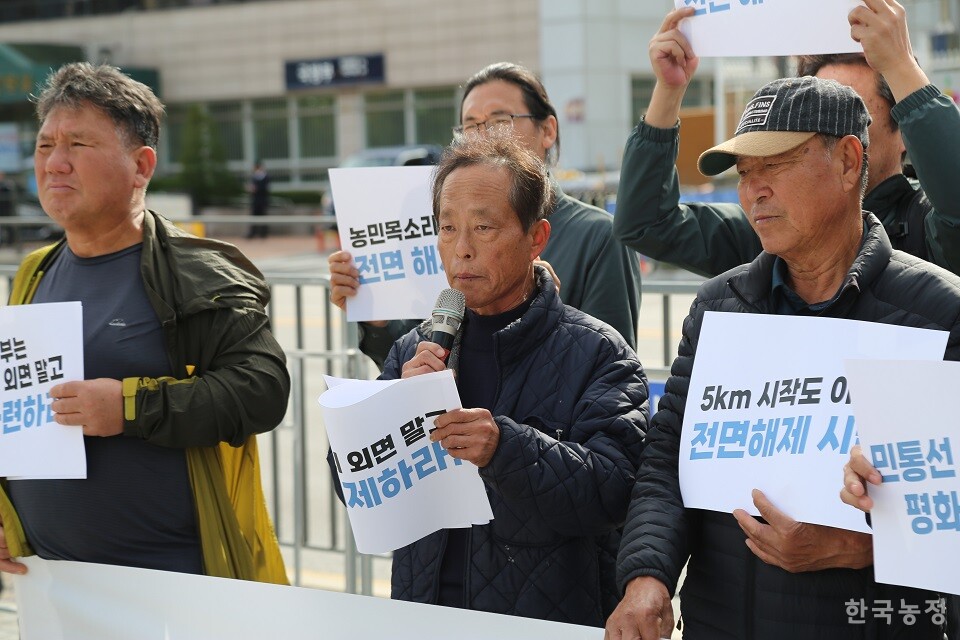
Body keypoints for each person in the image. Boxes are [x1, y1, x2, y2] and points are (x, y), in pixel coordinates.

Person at [606, 76, 960, 639]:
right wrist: (647, 577)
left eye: (775, 165)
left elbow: (948, 518)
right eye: (745, 173)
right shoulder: (718, 307)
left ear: (848, 162)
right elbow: (666, 461)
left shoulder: (937, 313)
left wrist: (861, 547)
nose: (754, 191)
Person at [333, 133, 648, 626]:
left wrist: (505, 448)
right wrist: (390, 412)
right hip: (424, 614)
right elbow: (352, 487)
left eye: (483, 227)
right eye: (447, 228)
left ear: (536, 237)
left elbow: (616, 491)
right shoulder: (413, 349)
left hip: (541, 620)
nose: (461, 250)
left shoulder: (599, 352)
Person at [0, 62, 289, 583]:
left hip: (170, 589)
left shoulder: (198, 271)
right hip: (48, 584)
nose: (55, 163)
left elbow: (261, 389)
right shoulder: (33, 271)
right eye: (45, 146)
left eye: (78, 145)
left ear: (141, 165)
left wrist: (129, 406)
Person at [614, 0, 960, 278]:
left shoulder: (928, 229)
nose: (838, 131)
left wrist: (899, 65)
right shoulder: (771, 231)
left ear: (905, 132)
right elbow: (646, 224)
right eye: (745, 171)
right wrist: (669, 90)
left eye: (857, 114)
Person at [330, 62, 642, 367]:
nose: (484, 137)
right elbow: (417, 363)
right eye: (470, 126)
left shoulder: (598, 236)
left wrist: (541, 310)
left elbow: (610, 366)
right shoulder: (446, 233)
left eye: (500, 120)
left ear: (547, 130)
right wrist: (377, 318)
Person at [247, 159, 270, 239]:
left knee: (263, 217)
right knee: (254, 217)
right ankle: (253, 233)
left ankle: (263, 233)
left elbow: (266, 188)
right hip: (255, 200)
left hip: (263, 200)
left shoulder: (265, 176)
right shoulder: (254, 176)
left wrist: (256, 189)